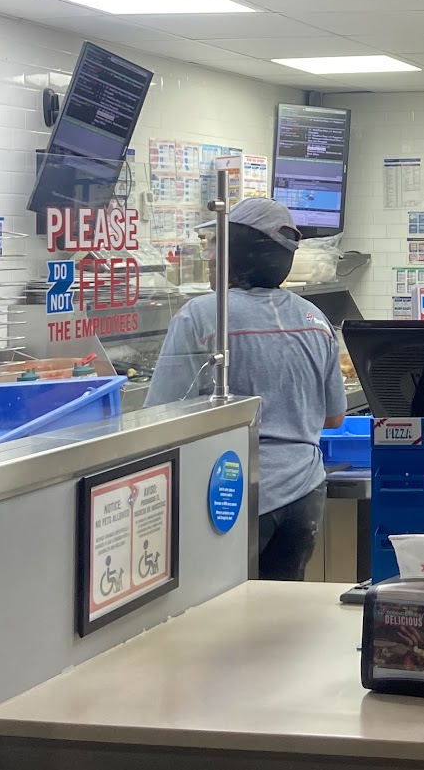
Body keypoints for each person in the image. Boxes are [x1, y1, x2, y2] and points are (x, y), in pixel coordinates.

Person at [147, 196, 346, 579]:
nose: (210, 258)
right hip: (305, 495)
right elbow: (334, 416)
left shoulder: (202, 315)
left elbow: (162, 416)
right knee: (280, 606)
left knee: (226, 607)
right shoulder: (314, 318)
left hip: (232, 493)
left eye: (216, 247)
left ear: (237, 255)